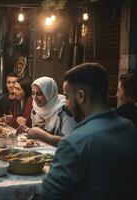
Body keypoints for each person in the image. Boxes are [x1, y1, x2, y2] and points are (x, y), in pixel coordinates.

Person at [33, 63, 137, 200]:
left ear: (80, 96)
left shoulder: (75, 142)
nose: (66, 104)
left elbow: (46, 196)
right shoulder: (129, 128)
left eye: (67, 97)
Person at [16, 77, 76, 147]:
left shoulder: (65, 110)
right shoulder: (35, 110)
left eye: (39, 93)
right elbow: (36, 140)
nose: (35, 98)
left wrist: (41, 134)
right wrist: (34, 130)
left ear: (49, 93)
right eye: (33, 93)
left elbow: (69, 143)